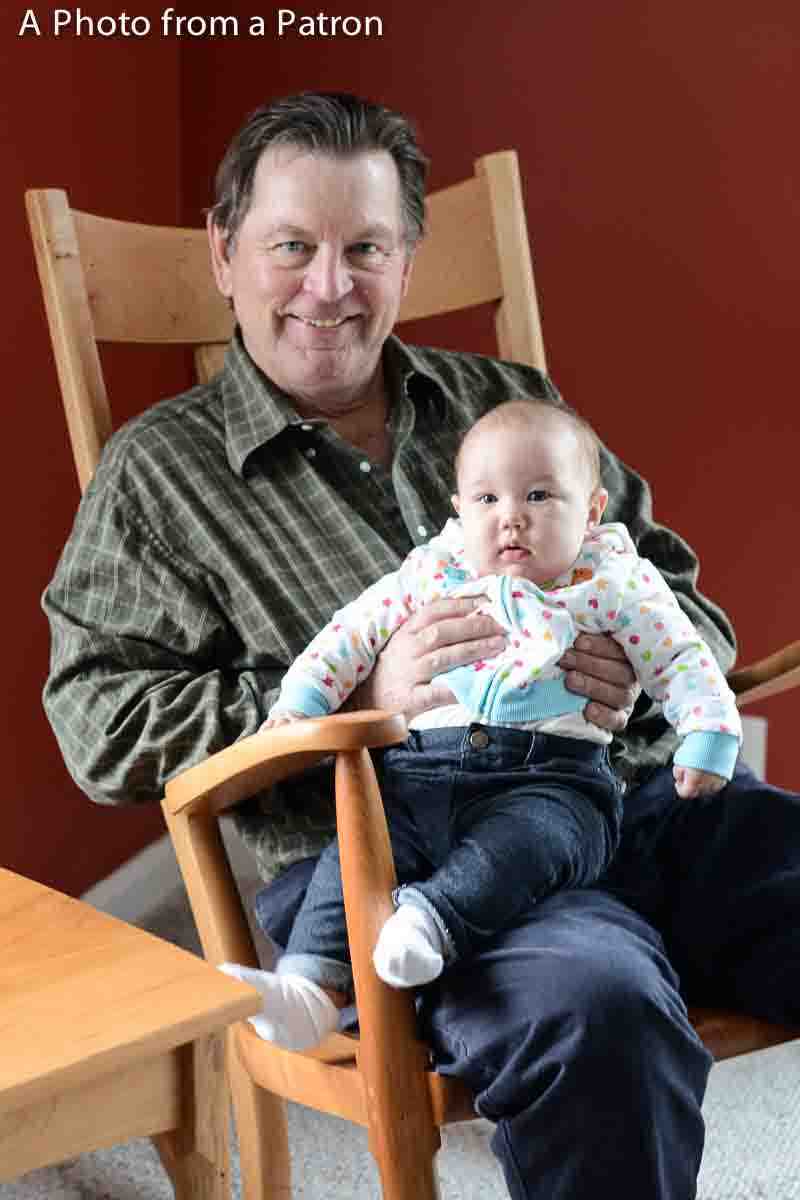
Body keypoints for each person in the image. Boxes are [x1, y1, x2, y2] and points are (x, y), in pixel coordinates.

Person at [41, 92, 800, 1200]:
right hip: (413, 871)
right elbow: (100, 723)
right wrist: (357, 699)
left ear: (405, 257)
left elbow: (682, 597)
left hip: (640, 801)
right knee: (598, 1012)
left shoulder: (508, 404)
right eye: (291, 247)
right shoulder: (160, 476)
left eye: (366, 248)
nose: (329, 287)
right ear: (223, 251)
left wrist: (640, 671)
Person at [220, 398, 740, 1051]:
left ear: (592, 511)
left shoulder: (613, 582)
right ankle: (307, 991)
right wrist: (302, 704)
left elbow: (680, 656)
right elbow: (349, 634)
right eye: (487, 499)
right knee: (351, 859)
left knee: (526, 845)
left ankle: (430, 923)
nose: (510, 517)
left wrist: (709, 731)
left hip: (551, 780)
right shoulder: (435, 570)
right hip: (416, 771)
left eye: (539, 496)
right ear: (460, 511)